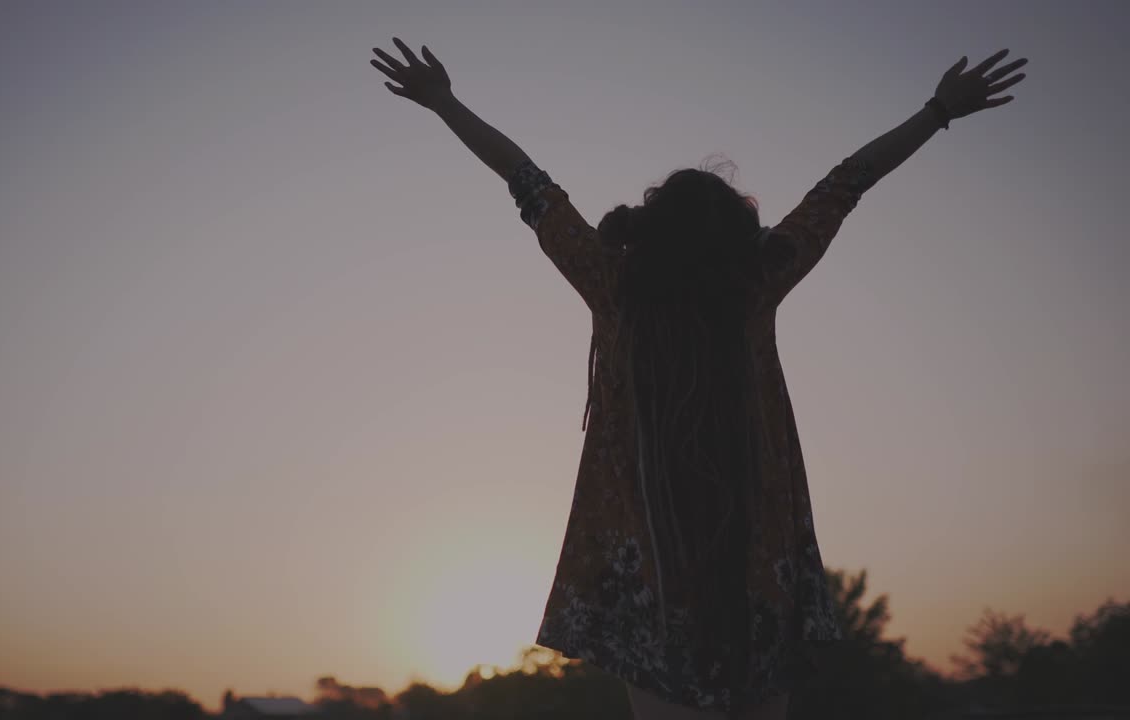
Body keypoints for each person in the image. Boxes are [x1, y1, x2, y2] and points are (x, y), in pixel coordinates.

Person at [370, 39, 1026, 720]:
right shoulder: (755, 281)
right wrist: (938, 110)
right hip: (757, 569)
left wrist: (444, 102)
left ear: (649, 230)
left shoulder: (614, 283)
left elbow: (525, 178)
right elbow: (846, 183)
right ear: (733, 234)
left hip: (652, 574)